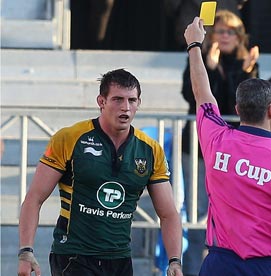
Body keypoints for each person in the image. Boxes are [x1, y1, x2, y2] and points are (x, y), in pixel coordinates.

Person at [184, 17, 271, 276]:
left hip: (219, 263)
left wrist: (194, 45)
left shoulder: (216, 139)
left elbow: (201, 92)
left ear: (237, 110)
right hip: (267, 264)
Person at [17, 69, 183, 276]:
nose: (126, 107)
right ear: (101, 101)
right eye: (117, 99)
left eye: (132, 100)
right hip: (74, 256)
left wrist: (175, 260)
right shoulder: (69, 138)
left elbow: (168, 214)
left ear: (139, 103)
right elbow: (34, 198)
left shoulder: (151, 150)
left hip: (120, 259)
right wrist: (26, 251)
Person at [180, 9, 259, 276]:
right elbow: (192, 96)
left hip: (236, 152)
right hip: (200, 150)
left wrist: (245, 71)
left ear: (240, 37)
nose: (224, 36)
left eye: (230, 32)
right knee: (197, 214)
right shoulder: (199, 57)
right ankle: (193, 270)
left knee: (235, 213)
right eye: (220, 30)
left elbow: (242, 106)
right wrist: (209, 69)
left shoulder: (246, 63)